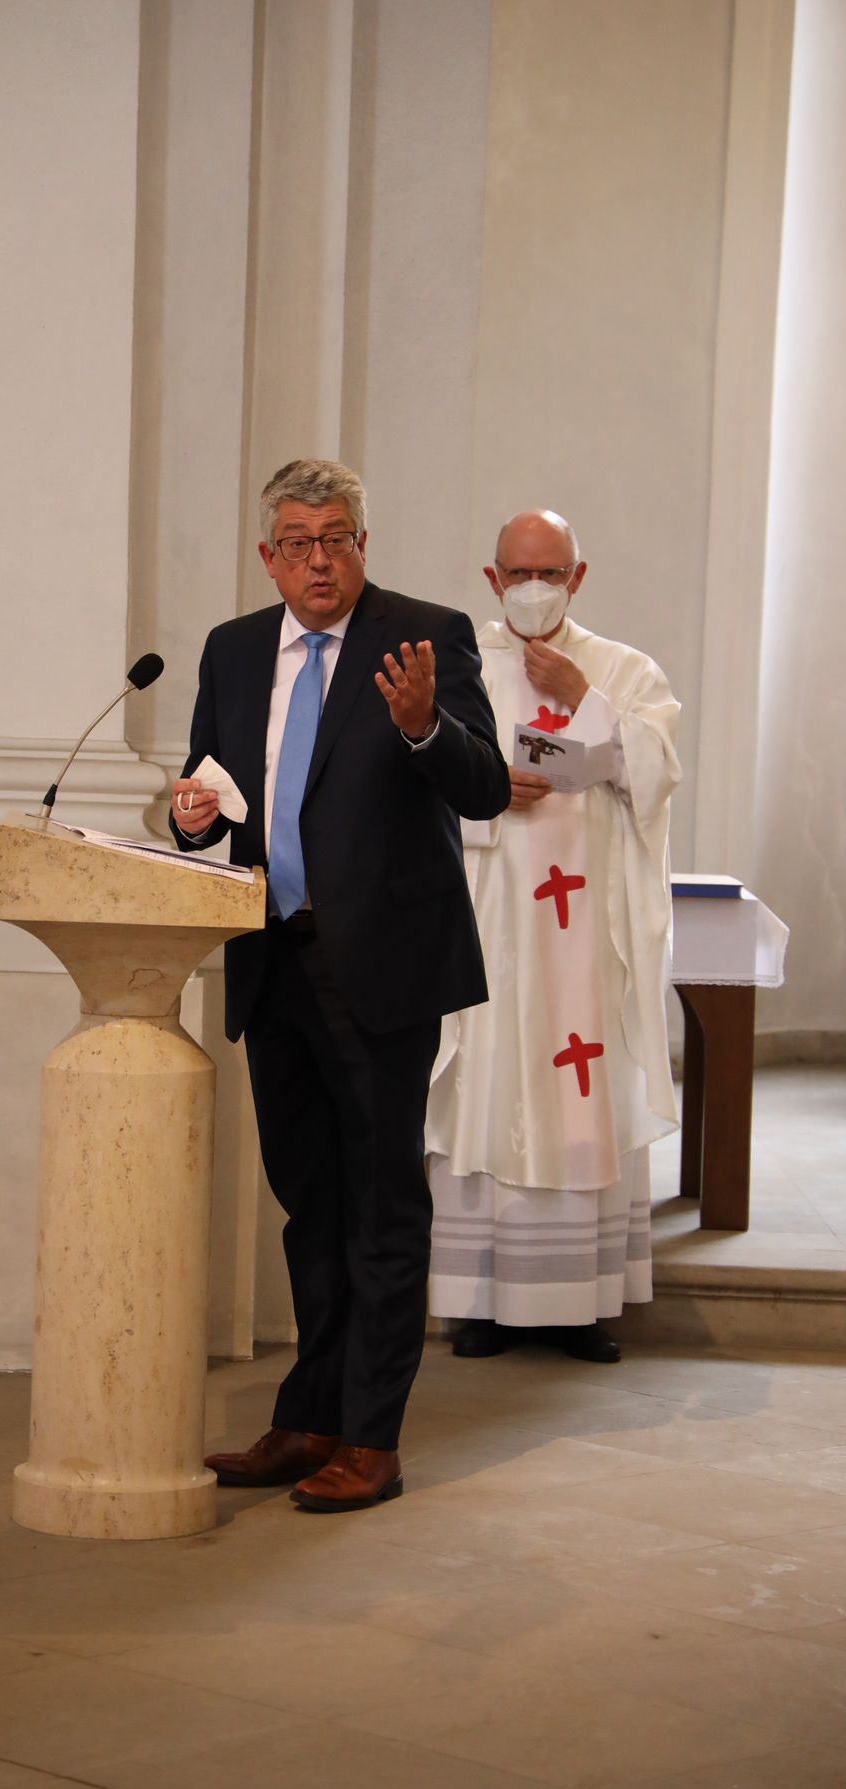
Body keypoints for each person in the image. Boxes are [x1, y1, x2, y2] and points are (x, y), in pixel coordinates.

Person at [170, 459, 508, 1511]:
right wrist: (191, 818)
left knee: (381, 1206)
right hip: (274, 960)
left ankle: (372, 1436)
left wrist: (422, 726)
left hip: (382, 968)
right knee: (308, 1204)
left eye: (340, 538)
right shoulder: (232, 651)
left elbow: (486, 786)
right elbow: (215, 789)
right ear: (269, 556)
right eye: (299, 541)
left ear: (364, 545)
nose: (321, 558)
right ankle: (309, 1418)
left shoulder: (426, 635)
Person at [425, 509, 681, 1363]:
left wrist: (583, 700)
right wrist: (487, 789)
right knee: (489, 1084)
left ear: (577, 576)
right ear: (493, 580)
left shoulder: (622, 669)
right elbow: (417, 783)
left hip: (583, 938)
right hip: (495, 920)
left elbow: (657, 772)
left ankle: (577, 1304)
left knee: (579, 1092)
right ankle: (479, 1302)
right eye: (518, 573)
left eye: (552, 572)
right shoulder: (460, 668)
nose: (535, 588)